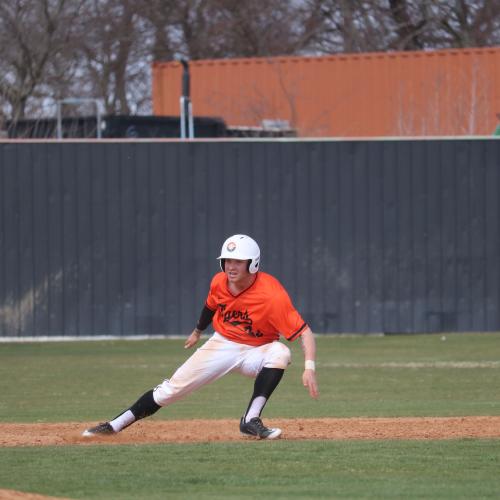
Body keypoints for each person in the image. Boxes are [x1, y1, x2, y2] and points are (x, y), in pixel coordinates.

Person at [83, 234, 319, 440]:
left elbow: (305, 333)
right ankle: (114, 425)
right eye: (227, 260)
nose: (231, 266)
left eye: (238, 261)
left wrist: (309, 367)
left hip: (256, 351)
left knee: (280, 353)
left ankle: (250, 420)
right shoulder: (219, 282)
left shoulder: (271, 295)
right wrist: (197, 331)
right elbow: (210, 307)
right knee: (170, 391)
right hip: (222, 344)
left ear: (253, 263)